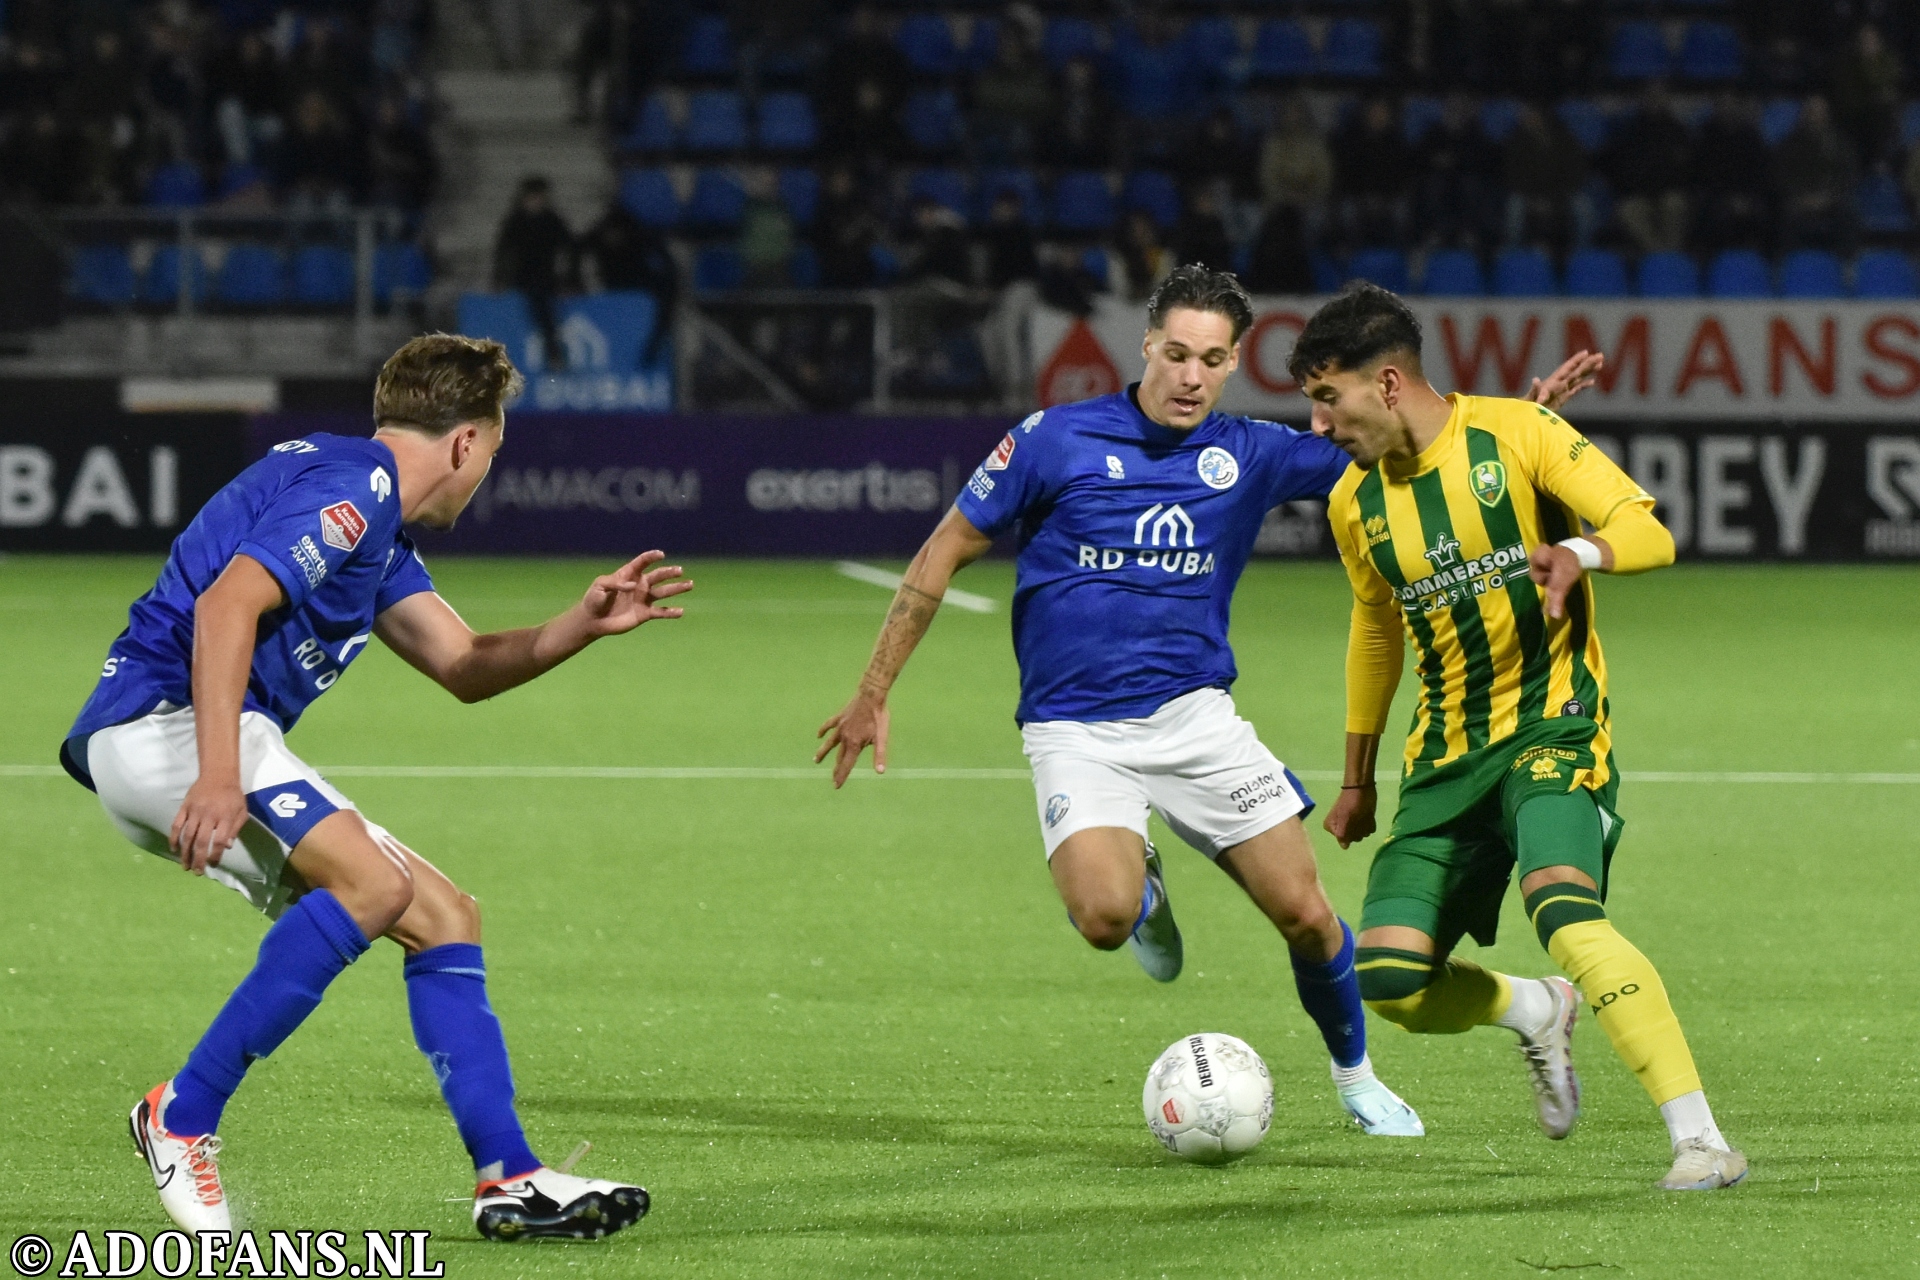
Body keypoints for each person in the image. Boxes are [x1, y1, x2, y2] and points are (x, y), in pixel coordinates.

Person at [60, 335, 688, 1240]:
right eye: (493, 454)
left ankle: (508, 1176)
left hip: (191, 736)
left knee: (443, 916)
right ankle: (181, 1115)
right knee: (377, 884)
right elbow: (227, 604)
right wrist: (220, 778)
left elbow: (464, 663)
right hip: (170, 726)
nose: (485, 475)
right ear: (467, 443)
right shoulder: (357, 490)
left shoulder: (370, 516)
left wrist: (576, 627)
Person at [815, 264, 1426, 1137]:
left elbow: (1392, 441)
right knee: (1103, 919)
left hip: (1195, 719)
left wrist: (1509, 417)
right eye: (1176, 354)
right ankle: (1145, 892)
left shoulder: (1252, 452)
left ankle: (1357, 1075)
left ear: (1233, 364)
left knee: (1306, 913)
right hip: (1077, 730)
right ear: (1145, 346)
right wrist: (873, 691)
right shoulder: (1053, 440)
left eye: (1213, 360)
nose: (1191, 377)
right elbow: (945, 548)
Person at [1290, 282, 1747, 1192]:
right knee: (1391, 980)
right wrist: (1356, 775)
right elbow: (1377, 628)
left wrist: (1580, 553)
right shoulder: (1354, 503)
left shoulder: (1519, 435)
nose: (1316, 424)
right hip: (1444, 759)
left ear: (1385, 384)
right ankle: (1535, 1010)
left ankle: (1700, 1140)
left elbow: (1644, 530)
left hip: (1553, 725)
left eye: (1325, 397)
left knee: (1565, 912)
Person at [493, 176, 577, 370]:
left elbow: (570, 248)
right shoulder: (515, 221)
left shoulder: (552, 220)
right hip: (522, 276)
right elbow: (503, 251)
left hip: (546, 276)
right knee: (537, 304)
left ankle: (554, 353)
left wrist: (570, 279)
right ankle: (552, 353)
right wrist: (499, 279)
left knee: (543, 306)